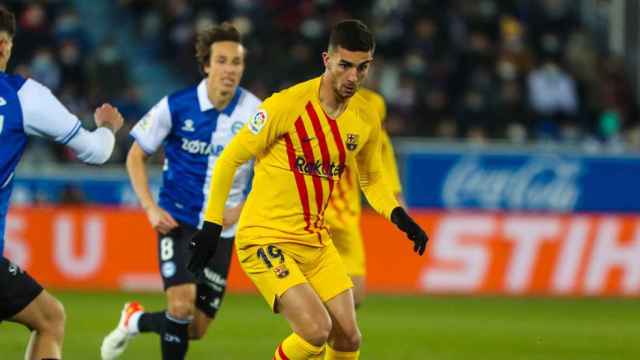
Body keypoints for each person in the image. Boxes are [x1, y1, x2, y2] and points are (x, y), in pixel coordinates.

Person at [188, 19, 428, 360]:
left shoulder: (365, 117)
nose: (352, 77)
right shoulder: (285, 106)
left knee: (348, 339)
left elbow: (371, 180)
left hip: (314, 240)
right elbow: (230, 160)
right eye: (345, 65)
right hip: (264, 238)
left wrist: (400, 217)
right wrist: (212, 226)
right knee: (316, 331)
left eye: (362, 68)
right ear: (326, 60)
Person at [100, 23, 260, 360]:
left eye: (237, 62)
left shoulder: (256, 114)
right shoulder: (176, 106)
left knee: (195, 327)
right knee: (181, 304)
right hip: (179, 221)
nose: (230, 69)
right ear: (206, 65)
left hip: (222, 231)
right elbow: (135, 155)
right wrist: (149, 207)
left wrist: (244, 206)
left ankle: (136, 321)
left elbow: (274, 170)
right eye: (222, 61)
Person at [0, 7, 124, 360]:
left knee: (49, 314)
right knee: (50, 319)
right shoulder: (24, 96)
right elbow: (96, 152)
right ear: (5, 47)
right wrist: (107, 128)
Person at [324, 86, 404, 307]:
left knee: (354, 298)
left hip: (346, 216)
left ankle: (324, 339)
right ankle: (310, 339)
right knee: (317, 307)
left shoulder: (373, 103)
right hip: (313, 214)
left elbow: (383, 148)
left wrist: (395, 193)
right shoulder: (312, 98)